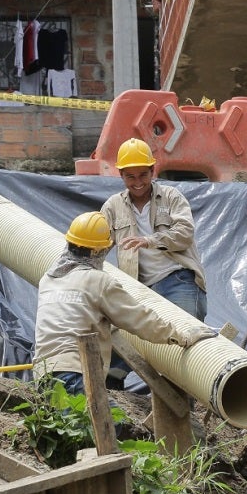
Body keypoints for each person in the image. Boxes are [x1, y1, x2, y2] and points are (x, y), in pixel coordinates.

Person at [33, 211, 215, 396]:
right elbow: (141, 320)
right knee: (113, 424)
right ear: (97, 251)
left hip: (42, 375)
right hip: (75, 374)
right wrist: (180, 336)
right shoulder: (98, 281)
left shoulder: (49, 280)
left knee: (69, 424)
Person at [101, 138, 208, 387]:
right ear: (121, 175)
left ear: (153, 171)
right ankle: (114, 398)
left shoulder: (171, 197)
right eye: (130, 177)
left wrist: (150, 240)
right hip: (137, 288)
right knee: (121, 343)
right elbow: (99, 244)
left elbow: (184, 234)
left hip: (177, 279)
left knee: (182, 344)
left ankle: (182, 410)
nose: (138, 183)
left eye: (142, 175)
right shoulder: (113, 206)